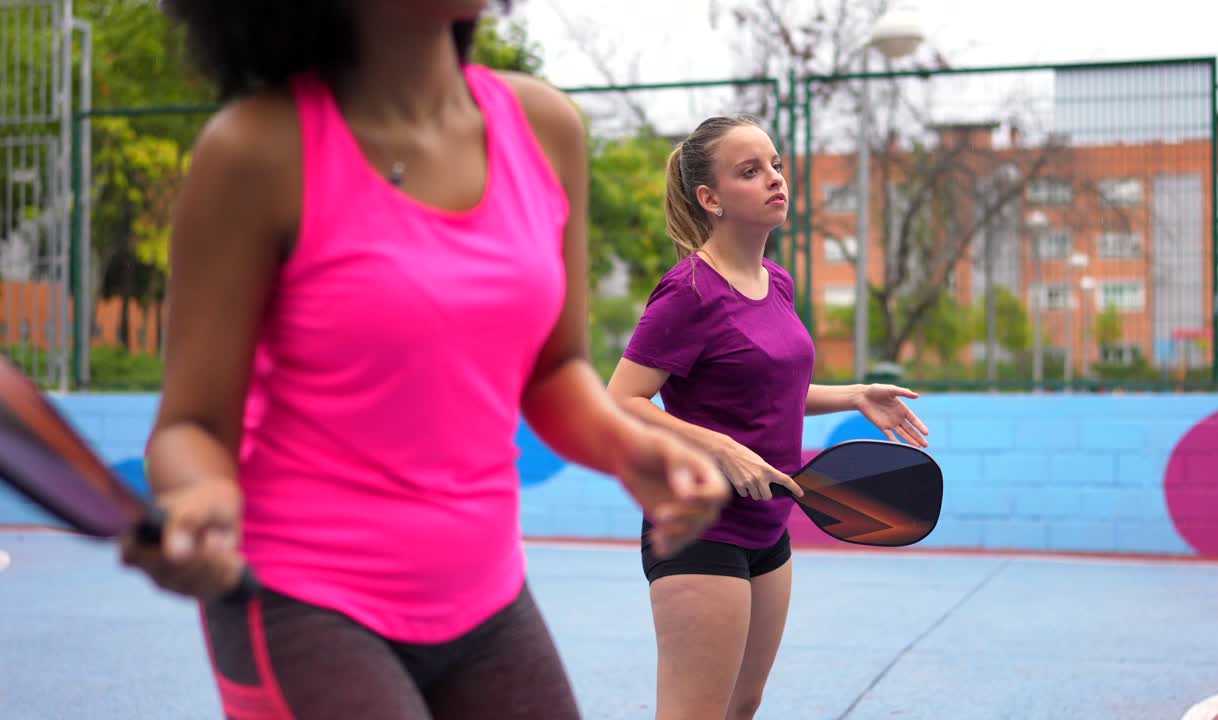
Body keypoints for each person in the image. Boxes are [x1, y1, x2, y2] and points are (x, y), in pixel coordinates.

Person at [119, 3, 729, 719]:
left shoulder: (545, 127)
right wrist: (199, 498)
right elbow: (189, 425)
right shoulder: (255, 151)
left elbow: (555, 368)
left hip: (488, 596)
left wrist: (631, 446)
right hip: (298, 596)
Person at [606, 115, 930, 720]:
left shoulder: (775, 282)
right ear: (711, 199)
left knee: (744, 705)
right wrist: (720, 449)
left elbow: (770, 388)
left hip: (769, 529)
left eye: (775, 165)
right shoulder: (689, 291)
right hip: (701, 528)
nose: (775, 180)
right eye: (750, 171)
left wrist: (855, 393)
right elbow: (620, 401)